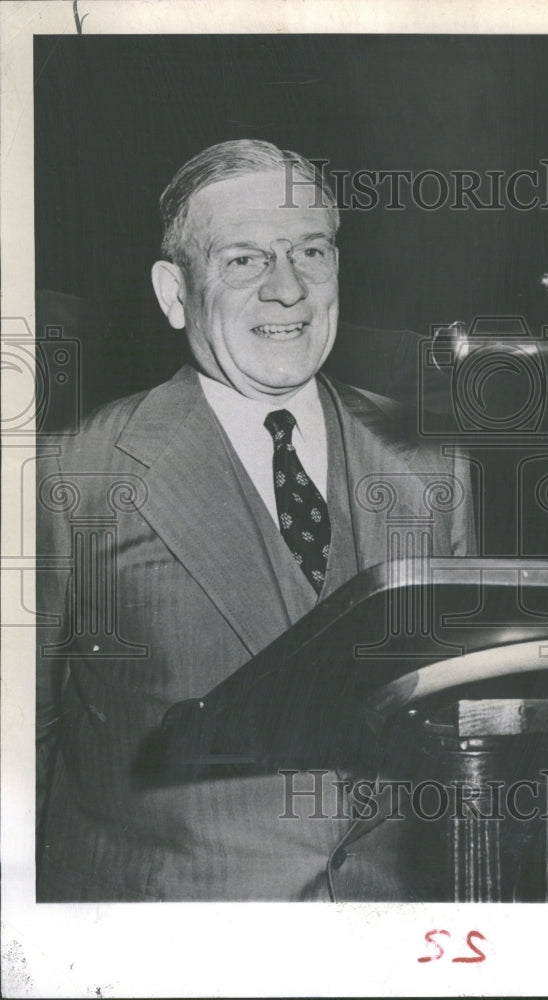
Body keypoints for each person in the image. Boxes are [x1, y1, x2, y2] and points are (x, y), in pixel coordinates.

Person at [36, 139, 475, 901]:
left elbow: (466, 727)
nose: (288, 290)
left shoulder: (434, 467)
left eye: (311, 251)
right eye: (243, 260)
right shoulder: (67, 475)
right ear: (175, 293)